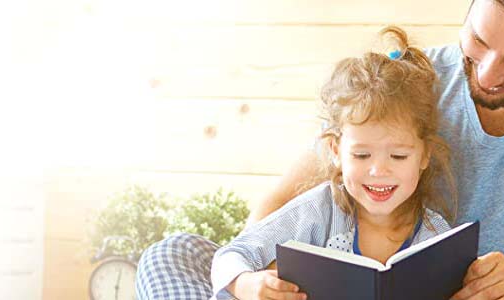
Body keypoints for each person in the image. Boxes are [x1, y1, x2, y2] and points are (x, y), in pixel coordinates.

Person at [137, 0, 504, 299]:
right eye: (479, 42)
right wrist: (260, 283)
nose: (485, 74)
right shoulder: (407, 79)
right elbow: (271, 215)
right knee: (172, 253)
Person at [136, 26, 459, 300]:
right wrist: (248, 284)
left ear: (424, 155)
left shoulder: (434, 236)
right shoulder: (318, 209)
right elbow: (232, 255)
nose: (378, 170)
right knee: (169, 254)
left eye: (399, 156)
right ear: (335, 150)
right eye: (361, 155)